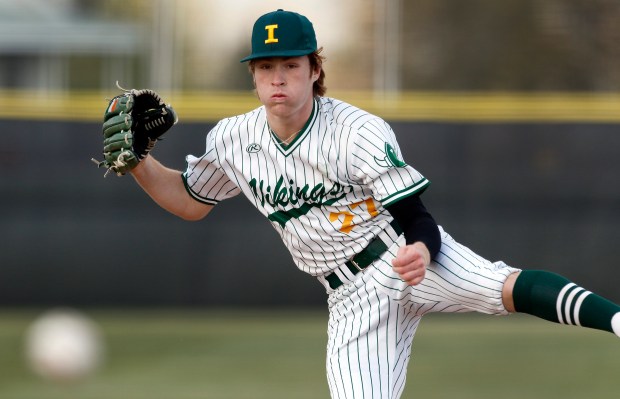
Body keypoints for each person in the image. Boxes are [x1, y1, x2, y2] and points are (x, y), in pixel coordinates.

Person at [100, 9, 620, 398]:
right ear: (254, 76)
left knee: (502, 287)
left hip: (401, 253)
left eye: (290, 64)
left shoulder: (357, 131)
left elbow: (417, 216)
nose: (278, 76)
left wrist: (420, 248)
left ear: (313, 70)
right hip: (350, 301)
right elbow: (191, 202)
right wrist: (140, 165)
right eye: (265, 66)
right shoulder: (233, 140)